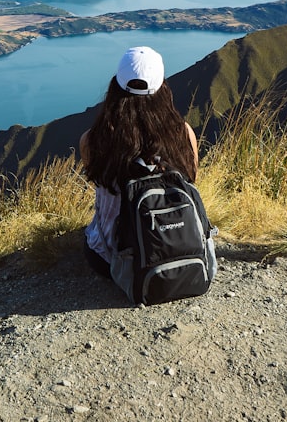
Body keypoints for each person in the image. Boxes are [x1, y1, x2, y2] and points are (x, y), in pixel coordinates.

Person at [79, 46, 199, 277]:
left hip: (112, 259)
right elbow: (192, 180)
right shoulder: (183, 134)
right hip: (180, 251)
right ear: (163, 87)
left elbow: (100, 186)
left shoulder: (93, 140)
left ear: (116, 85)